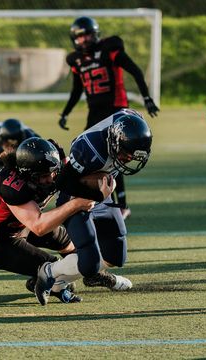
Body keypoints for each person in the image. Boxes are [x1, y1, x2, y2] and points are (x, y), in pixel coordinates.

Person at [34, 109, 153, 306]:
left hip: (101, 194)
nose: (128, 159)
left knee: (116, 254)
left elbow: (127, 115)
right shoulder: (90, 149)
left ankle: (59, 282)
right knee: (89, 264)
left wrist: (102, 193)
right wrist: (98, 194)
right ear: (114, 142)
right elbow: (63, 182)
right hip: (74, 197)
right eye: (124, 154)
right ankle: (48, 271)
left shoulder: (131, 125)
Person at [0, 137, 96, 303]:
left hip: (22, 224)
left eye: (52, 172)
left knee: (73, 248)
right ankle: (43, 281)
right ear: (26, 174)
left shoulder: (53, 164)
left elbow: (71, 175)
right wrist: (76, 204)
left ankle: (92, 276)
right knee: (53, 267)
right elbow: (39, 226)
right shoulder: (13, 186)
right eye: (43, 176)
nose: (50, 179)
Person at [58, 16, 159, 220]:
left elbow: (135, 71)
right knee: (90, 156)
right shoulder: (76, 60)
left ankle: (121, 204)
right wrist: (66, 112)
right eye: (80, 37)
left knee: (119, 154)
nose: (84, 40)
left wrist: (146, 97)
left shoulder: (109, 49)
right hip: (95, 113)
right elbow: (77, 89)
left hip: (116, 112)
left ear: (96, 35)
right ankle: (93, 198)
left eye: (87, 36)